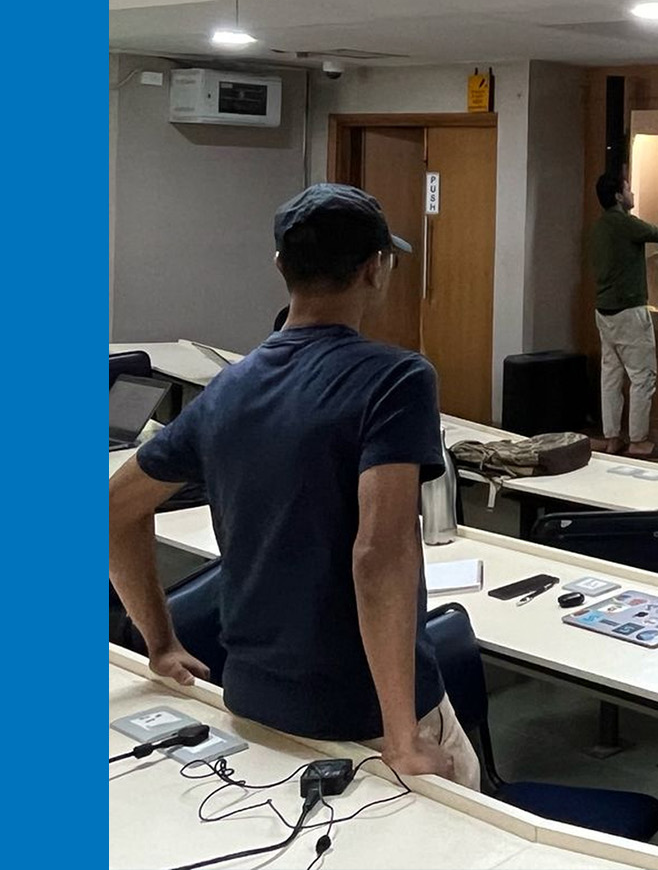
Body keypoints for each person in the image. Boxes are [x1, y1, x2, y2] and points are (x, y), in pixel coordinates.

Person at [108, 184, 477, 787]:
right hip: (366, 713)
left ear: (281, 265)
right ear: (376, 268)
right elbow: (380, 555)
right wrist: (403, 738)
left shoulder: (228, 389)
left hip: (255, 701)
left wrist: (161, 643)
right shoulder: (397, 379)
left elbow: (114, 511)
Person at [589, 171, 658, 457]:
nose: (632, 194)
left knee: (611, 377)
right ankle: (639, 441)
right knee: (642, 377)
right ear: (619, 196)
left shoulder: (599, 226)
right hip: (629, 312)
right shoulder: (626, 224)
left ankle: (612, 437)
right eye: (628, 189)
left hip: (604, 311)